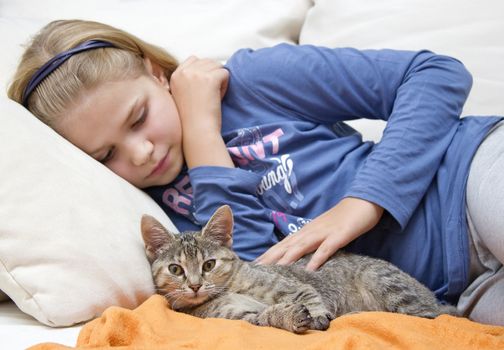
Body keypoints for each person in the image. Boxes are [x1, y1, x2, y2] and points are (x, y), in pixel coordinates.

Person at [7, 19, 503, 326]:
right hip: (454, 290)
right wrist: (202, 134)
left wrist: (362, 202)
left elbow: (436, 73)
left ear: (158, 74)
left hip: (466, 177)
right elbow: (256, 271)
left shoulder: (251, 81)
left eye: (138, 118)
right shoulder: (158, 219)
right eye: (105, 155)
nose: (137, 154)